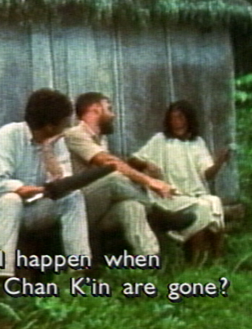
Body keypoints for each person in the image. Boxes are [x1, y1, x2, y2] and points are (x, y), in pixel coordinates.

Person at [0, 89, 91, 281]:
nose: (67, 127)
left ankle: (79, 272)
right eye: (64, 122)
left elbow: (62, 180)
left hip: (34, 209)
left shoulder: (57, 141)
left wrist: (47, 151)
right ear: (49, 126)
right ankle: (3, 277)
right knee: (11, 200)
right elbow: (0, 183)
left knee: (74, 196)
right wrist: (32, 190)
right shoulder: (8, 135)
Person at [64, 92, 180, 257]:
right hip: (78, 208)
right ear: (95, 109)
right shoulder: (75, 134)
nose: (114, 115)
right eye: (109, 109)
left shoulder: (101, 139)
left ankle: (150, 261)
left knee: (132, 207)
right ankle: (156, 211)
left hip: (100, 207)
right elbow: (109, 164)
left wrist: (144, 173)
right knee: (113, 179)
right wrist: (149, 182)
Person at [129, 100, 229, 262]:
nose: (176, 121)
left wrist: (219, 161)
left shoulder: (197, 143)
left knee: (214, 202)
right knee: (203, 209)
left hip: (193, 194)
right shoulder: (160, 140)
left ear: (188, 119)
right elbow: (133, 160)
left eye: (180, 117)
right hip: (169, 196)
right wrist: (146, 164)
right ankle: (194, 258)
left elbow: (207, 174)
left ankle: (216, 257)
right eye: (172, 118)